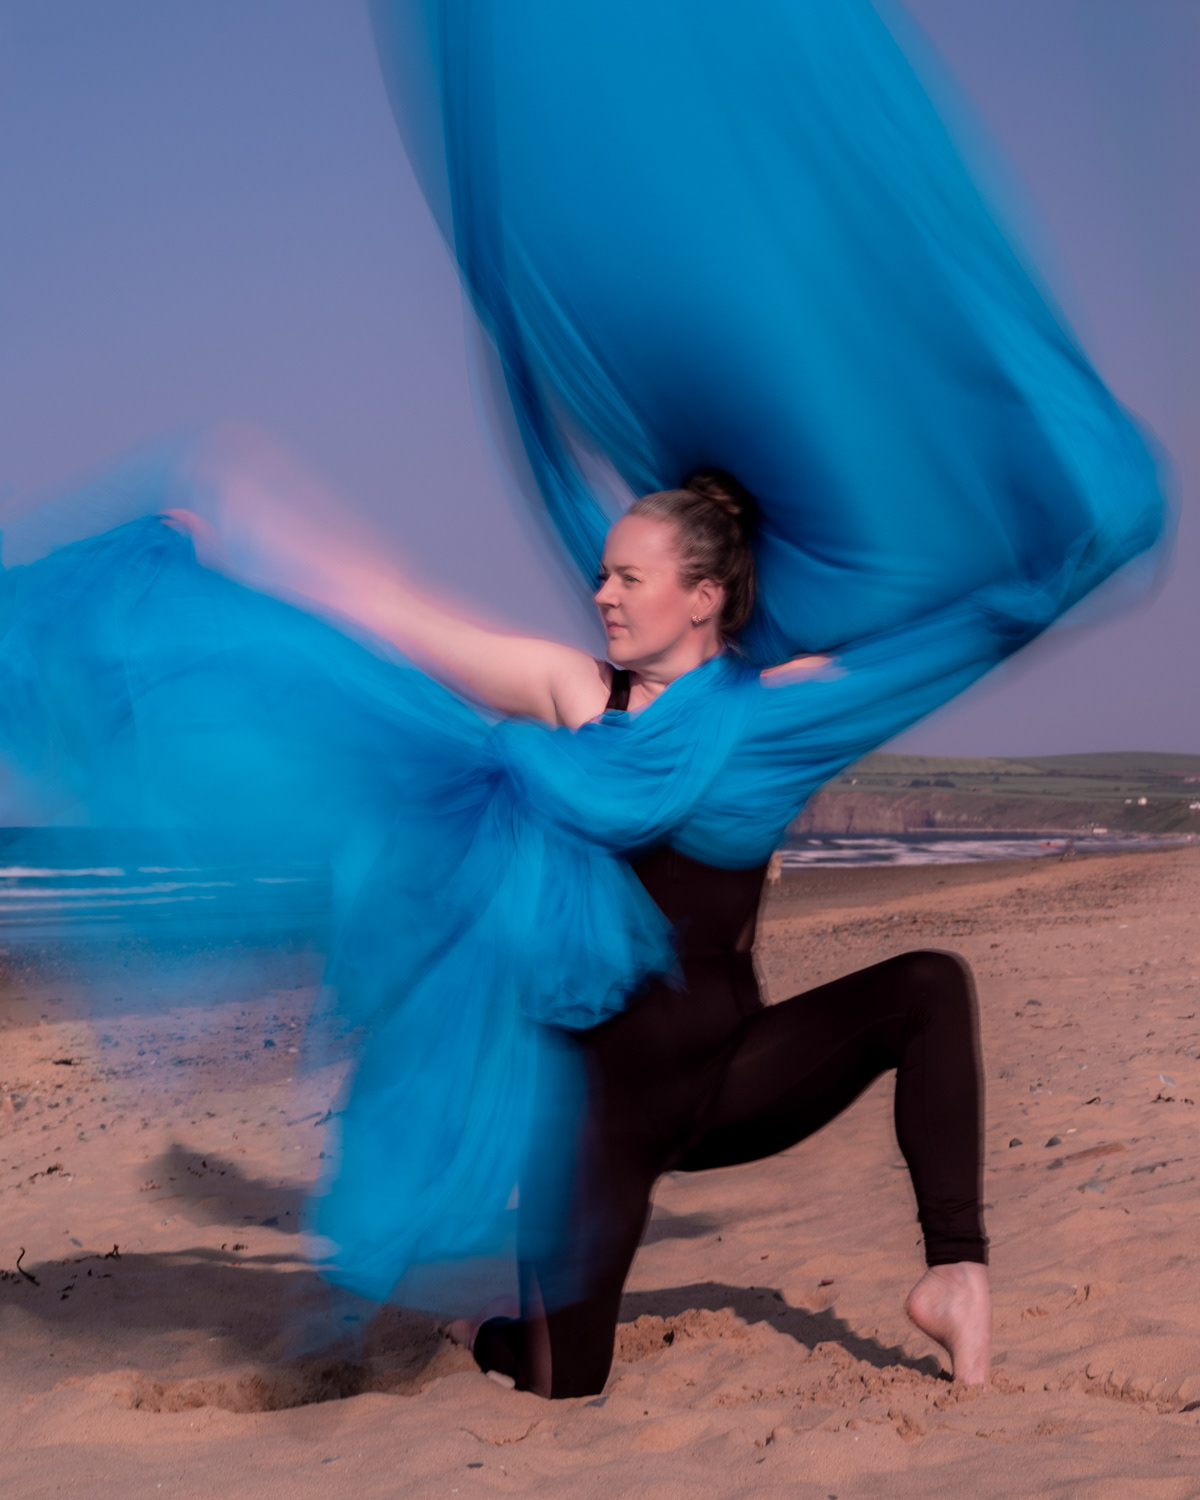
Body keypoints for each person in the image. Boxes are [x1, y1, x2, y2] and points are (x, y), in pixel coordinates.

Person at [169, 464, 991, 1397]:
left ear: (703, 596)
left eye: (628, 579)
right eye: (601, 575)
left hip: (729, 1078)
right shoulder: (578, 694)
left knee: (928, 984)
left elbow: (922, 639)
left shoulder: (767, 714)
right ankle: (485, 1330)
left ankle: (957, 1273)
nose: (600, 594)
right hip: (589, 1121)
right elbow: (404, 617)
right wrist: (246, 548)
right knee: (564, 1381)